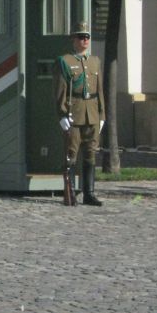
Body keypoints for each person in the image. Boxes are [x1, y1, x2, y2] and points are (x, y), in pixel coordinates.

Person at [54, 21, 105, 206]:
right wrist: (61, 114)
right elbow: (60, 90)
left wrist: (102, 115)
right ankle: (70, 191)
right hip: (74, 113)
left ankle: (89, 192)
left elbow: (99, 91)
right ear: (73, 39)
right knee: (71, 153)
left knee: (91, 153)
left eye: (87, 37)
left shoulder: (95, 61)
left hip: (91, 112)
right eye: (81, 37)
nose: (85, 40)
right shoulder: (65, 61)